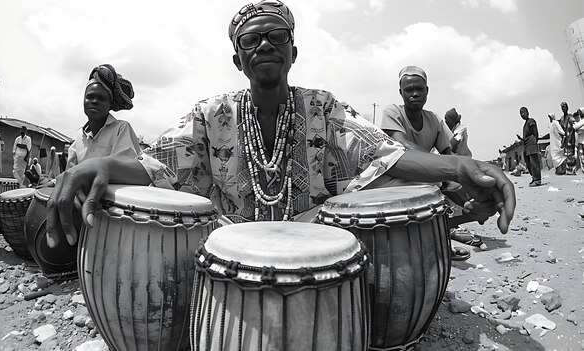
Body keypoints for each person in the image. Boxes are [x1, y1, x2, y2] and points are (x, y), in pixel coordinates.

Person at [46, 1, 515, 260]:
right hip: (227, 253)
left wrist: (458, 166)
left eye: (278, 37)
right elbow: (158, 162)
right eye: (252, 40)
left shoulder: (322, 107)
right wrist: (103, 164)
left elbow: (381, 154)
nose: (266, 43)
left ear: (293, 53)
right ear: (238, 59)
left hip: (316, 248)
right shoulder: (212, 113)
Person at [379, 66, 482, 258]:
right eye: (409, 90)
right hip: (395, 182)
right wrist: (443, 172)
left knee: (470, 200)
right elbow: (401, 144)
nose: (415, 93)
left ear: (427, 90)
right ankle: (434, 241)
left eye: (419, 89)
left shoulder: (434, 120)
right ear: (401, 93)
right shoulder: (393, 112)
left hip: (427, 180)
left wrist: (469, 194)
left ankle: (441, 237)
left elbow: (449, 156)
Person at [66, 64, 141, 170]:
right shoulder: (80, 137)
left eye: (101, 98)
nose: (94, 101)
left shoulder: (121, 129)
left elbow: (124, 167)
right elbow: (70, 172)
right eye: (90, 97)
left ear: (110, 104)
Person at [516, 107, 542, 187]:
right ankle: (534, 178)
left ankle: (537, 180)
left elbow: (535, 133)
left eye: (524, 112)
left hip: (531, 144)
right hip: (526, 145)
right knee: (529, 163)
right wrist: (521, 139)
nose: (523, 115)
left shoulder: (531, 121)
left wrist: (534, 142)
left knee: (534, 162)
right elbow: (526, 137)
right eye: (521, 114)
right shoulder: (525, 124)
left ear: (528, 112)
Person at [559, 102, 577, 175]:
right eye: (562, 107)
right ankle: (568, 170)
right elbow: (560, 129)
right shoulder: (562, 118)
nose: (564, 109)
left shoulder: (570, 116)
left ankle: (572, 170)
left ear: (567, 107)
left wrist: (570, 137)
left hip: (571, 138)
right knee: (566, 154)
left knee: (571, 154)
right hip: (565, 139)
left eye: (565, 107)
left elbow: (574, 127)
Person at [573, 107, 584, 173]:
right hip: (580, 142)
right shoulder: (580, 122)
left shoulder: (581, 122)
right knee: (581, 157)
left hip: (581, 141)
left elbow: (575, 128)